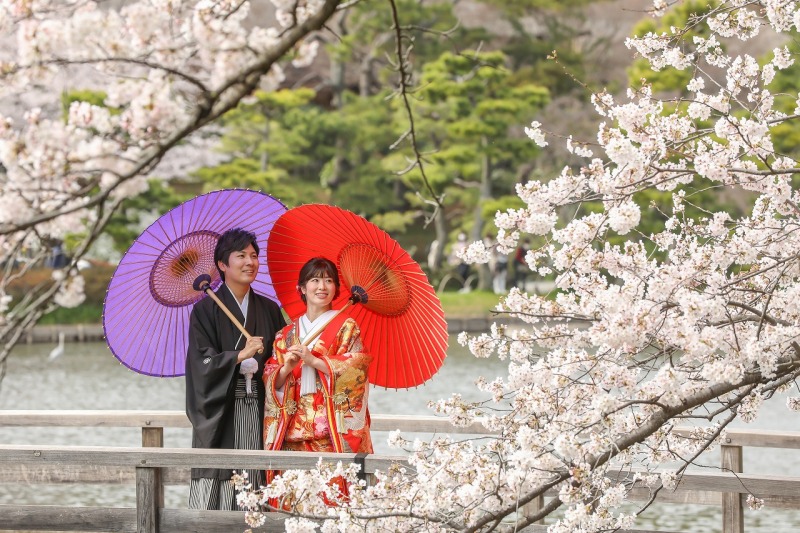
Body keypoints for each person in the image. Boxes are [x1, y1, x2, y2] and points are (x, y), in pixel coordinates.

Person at [185, 228, 286, 510]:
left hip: (261, 406)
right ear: (222, 265)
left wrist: (285, 362)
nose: (250, 262)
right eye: (241, 256)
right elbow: (199, 363)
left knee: (258, 475)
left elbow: (279, 360)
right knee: (222, 480)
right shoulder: (205, 311)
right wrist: (239, 356)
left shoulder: (268, 308)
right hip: (223, 409)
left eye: (254, 255)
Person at [262, 257, 373, 497]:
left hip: (331, 438)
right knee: (295, 510)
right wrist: (285, 369)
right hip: (292, 436)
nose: (322, 287)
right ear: (301, 288)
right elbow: (271, 377)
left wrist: (315, 362)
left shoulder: (347, 327)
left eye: (328, 281)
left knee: (332, 507)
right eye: (314, 280)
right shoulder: (285, 334)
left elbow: (357, 370)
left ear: (335, 289)